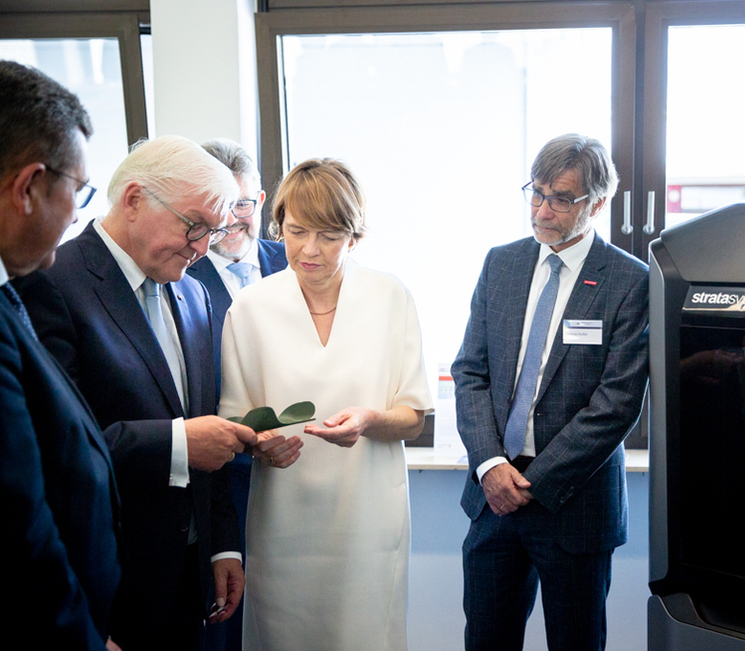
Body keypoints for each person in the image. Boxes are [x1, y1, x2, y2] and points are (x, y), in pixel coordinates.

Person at [15, 135, 266, 651]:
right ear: (133, 200)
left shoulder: (193, 293)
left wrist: (222, 548)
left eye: (213, 232)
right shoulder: (53, 283)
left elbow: (206, 423)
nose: (202, 247)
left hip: (189, 582)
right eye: (193, 225)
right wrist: (177, 444)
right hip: (107, 585)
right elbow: (51, 451)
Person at [218, 157, 434, 650]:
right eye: (295, 232)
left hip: (367, 518)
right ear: (279, 226)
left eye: (328, 236)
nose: (308, 250)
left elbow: (413, 418)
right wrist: (261, 443)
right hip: (284, 519)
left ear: (353, 236)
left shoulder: (389, 297)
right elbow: (234, 421)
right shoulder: (251, 308)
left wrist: (368, 420)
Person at [451, 134, 650, 651]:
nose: (541, 210)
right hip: (493, 499)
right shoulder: (502, 264)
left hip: (573, 505)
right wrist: (492, 466)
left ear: (597, 203)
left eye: (561, 198)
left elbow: (617, 404)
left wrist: (532, 481)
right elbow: (470, 373)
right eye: (535, 193)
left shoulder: (630, 282)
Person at [0, 59, 122, 651]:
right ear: (27, 187)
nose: (77, 213)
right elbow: (17, 521)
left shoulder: (14, 293)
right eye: (77, 190)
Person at [187, 138, 288, 651]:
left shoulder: (300, 261)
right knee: (228, 624)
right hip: (221, 481)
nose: (233, 220)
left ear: (263, 200)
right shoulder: (181, 273)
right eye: (221, 208)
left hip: (298, 476)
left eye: (244, 204)